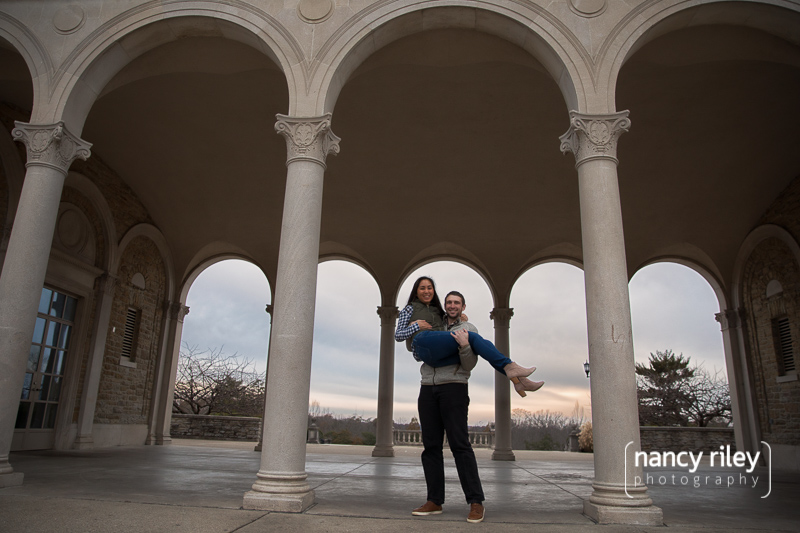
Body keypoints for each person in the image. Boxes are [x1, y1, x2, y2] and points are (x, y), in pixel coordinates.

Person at [395, 276, 544, 396]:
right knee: (472, 337)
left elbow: (444, 326)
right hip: (422, 345)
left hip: (435, 357)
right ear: (416, 292)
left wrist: (461, 318)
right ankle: (511, 367)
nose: (426, 291)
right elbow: (398, 335)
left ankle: (517, 380)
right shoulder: (409, 309)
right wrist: (415, 326)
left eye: (429, 288)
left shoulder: (438, 311)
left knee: (473, 344)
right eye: (422, 288)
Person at [409, 290, 486, 523]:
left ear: (463, 306)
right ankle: (434, 500)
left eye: (456, 303)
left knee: (460, 445)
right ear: (445, 306)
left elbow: (470, 364)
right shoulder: (433, 327)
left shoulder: (469, 329)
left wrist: (463, 346)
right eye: (449, 302)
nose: (452, 306)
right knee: (430, 446)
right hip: (427, 388)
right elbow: (416, 353)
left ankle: (475, 502)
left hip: (454, 387)